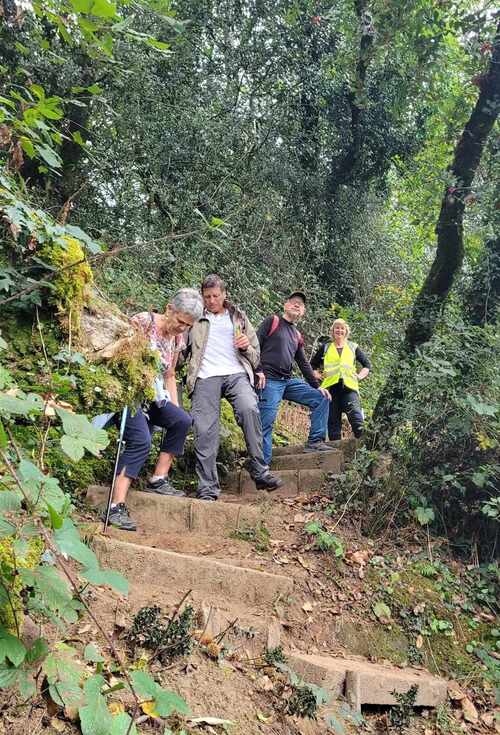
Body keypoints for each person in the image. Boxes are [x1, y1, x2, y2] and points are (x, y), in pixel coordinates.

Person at [104, 288, 204, 531]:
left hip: (154, 394)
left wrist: (175, 409)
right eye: (180, 322)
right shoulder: (142, 322)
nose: (182, 328)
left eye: (188, 326)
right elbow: (119, 357)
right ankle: (115, 506)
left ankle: (158, 479)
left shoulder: (177, 339)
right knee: (141, 440)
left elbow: (169, 374)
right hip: (130, 392)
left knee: (182, 420)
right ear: (169, 309)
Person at [186, 274, 282, 501]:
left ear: (224, 294)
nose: (211, 300)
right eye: (207, 296)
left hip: (236, 373)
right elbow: (181, 347)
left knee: (249, 408)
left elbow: (256, 355)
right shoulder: (194, 318)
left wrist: (246, 346)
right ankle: (208, 487)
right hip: (205, 376)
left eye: (215, 296)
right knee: (205, 429)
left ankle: (259, 470)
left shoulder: (238, 317)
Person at [255, 291, 332, 466]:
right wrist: (257, 370)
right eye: (294, 302)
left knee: (321, 397)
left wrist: (316, 386)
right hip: (269, 380)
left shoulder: (296, 335)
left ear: (303, 311)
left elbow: (303, 363)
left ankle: (315, 442)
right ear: (285, 305)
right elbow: (255, 346)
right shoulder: (272, 321)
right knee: (266, 423)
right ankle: (261, 466)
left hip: (287, 381)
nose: (297, 305)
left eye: (301, 304)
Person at [310, 318, 371, 440]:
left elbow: (367, 365)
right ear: (332, 331)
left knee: (356, 417)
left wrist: (359, 376)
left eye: (342, 328)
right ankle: (335, 452)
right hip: (330, 389)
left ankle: (364, 449)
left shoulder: (353, 347)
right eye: (337, 328)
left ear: (346, 331)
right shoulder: (325, 348)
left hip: (349, 388)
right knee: (333, 422)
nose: (339, 330)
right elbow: (311, 366)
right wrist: (317, 374)